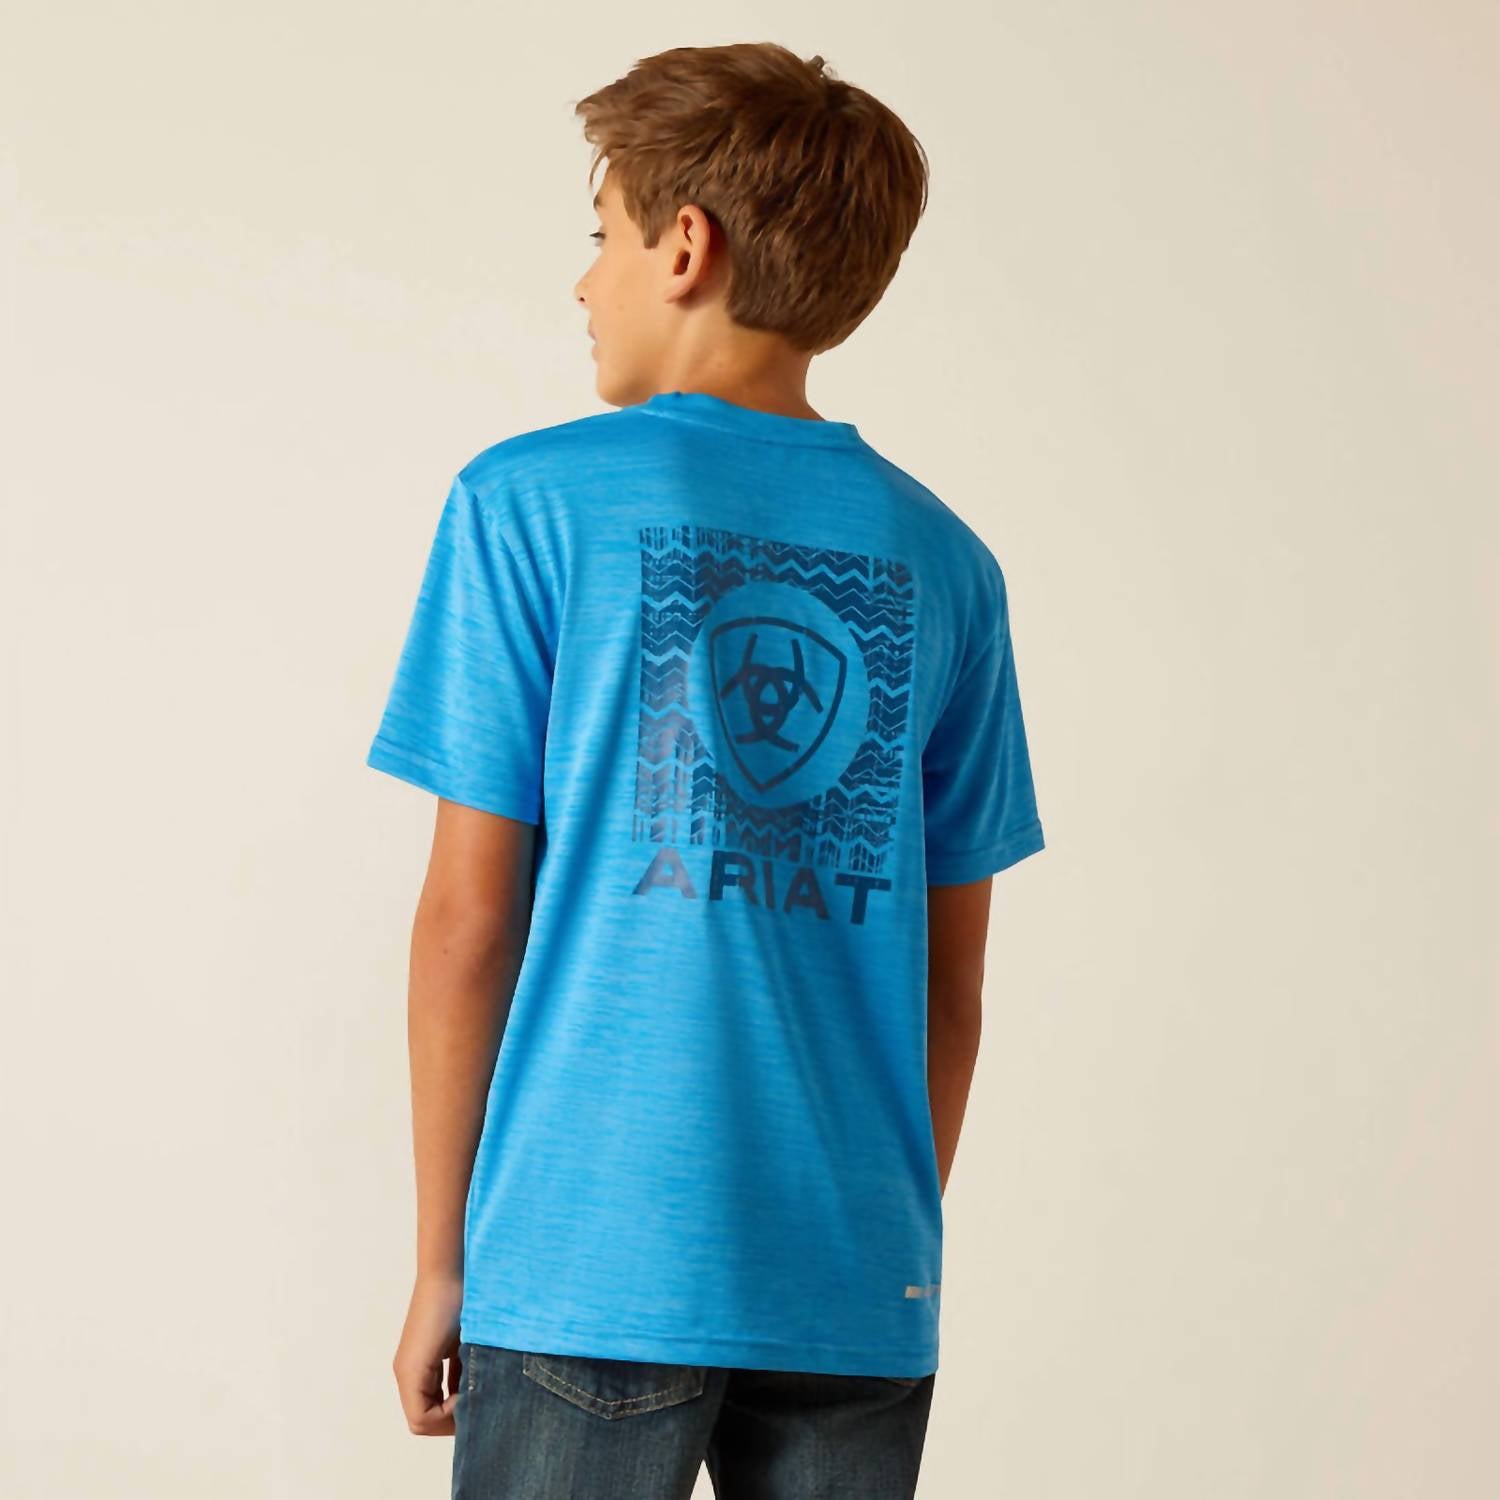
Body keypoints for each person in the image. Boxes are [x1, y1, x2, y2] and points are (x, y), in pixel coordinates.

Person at [366, 41, 1047, 1500]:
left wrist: (443, 1259)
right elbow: (952, 989)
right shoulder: (948, 564)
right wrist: (864, 1246)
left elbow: (467, 923)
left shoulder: (529, 505)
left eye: (600, 233)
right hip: (854, 1278)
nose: (583, 283)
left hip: (588, 1259)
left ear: (684, 248)